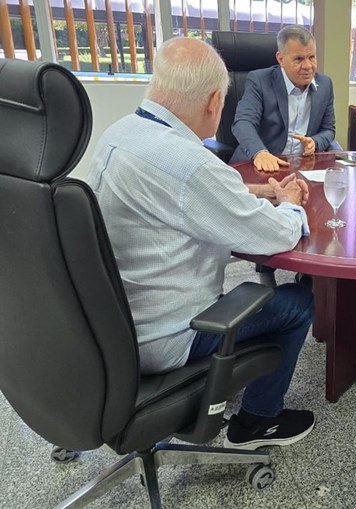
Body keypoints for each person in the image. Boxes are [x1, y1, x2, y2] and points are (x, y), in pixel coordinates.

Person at [85, 37, 317, 451]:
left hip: (109, 326)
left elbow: (184, 199)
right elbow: (278, 235)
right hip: (167, 337)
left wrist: (252, 193)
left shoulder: (121, 133)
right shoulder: (189, 164)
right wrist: (290, 204)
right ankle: (258, 422)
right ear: (214, 101)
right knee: (298, 302)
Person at [230, 24, 336, 171]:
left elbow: (329, 129)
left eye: (312, 57)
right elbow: (243, 122)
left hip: (304, 166)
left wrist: (315, 142)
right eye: (299, 59)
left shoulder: (325, 84)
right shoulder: (259, 80)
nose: (308, 66)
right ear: (280, 59)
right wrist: (260, 152)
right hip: (264, 165)